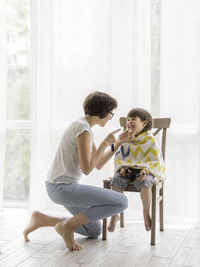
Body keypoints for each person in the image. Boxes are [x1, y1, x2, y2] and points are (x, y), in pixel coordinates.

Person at [23, 91, 132, 251]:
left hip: (58, 187)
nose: (110, 117)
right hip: (63, 188)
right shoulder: (83, 129)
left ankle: (42, 219)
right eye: (110, 114)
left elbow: (98, 163)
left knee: (93, 230)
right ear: (102, 112)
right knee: (122, 202)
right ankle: (67, 226)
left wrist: (119, 142)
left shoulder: (84, 126)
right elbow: (87, 169)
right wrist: (103, 144)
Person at [108, 108, 166, 233]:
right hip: (127, 170)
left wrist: (145, 171)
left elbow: (154, 160)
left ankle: (146, 212)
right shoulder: (126, 138)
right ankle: (115, 214)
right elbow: (120, 156)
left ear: (144, 123)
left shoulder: (150, 140)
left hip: (144, 171)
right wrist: (122, 168)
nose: (129, 122)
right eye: (128, 120)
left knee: (146, 183)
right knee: (115, 180)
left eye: (133, 120)